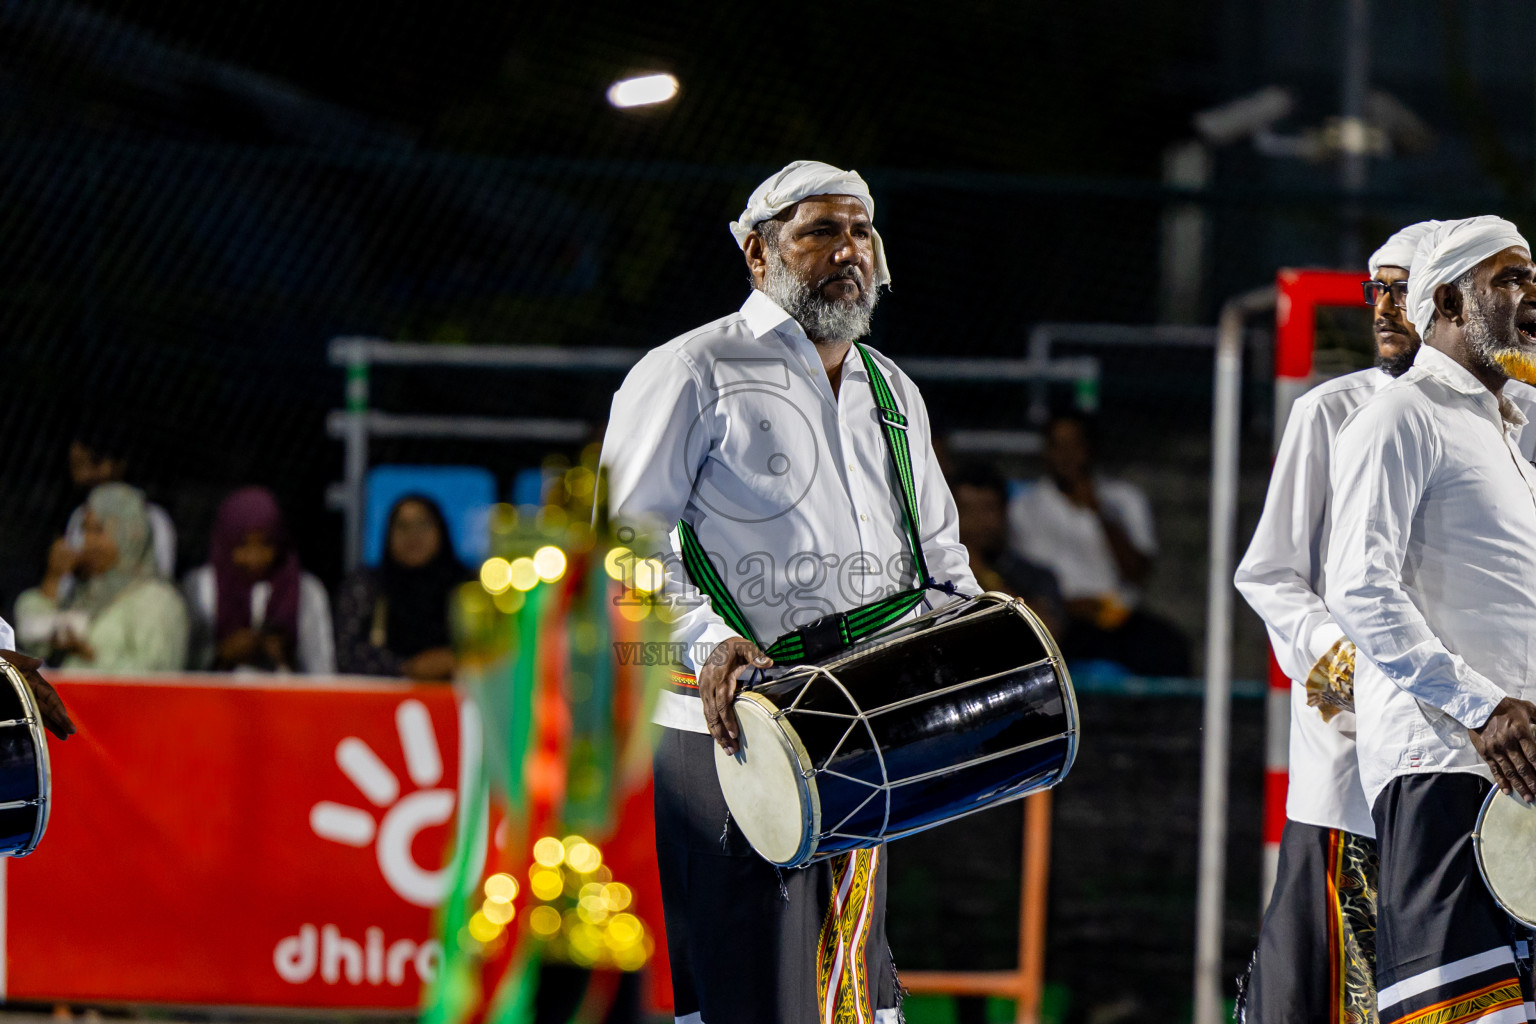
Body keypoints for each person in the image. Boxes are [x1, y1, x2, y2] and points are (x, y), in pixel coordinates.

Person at [600, 160, 979, 1024]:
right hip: (727, 729)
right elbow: (623, 545)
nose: (848, 251)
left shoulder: (892, 390)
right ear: (757, 253)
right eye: (819, 231)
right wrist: (704, 640)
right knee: (752, 990)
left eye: (860, 231)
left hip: (861, 724)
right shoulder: (691, 370)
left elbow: (939, 558)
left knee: (847, 984)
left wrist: (972, 638)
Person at [1326, 215, 1536, 1024]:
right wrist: (1482, 706)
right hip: (1442, 762)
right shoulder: (1400, 415)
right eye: (1509, 279)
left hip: (1512, 773)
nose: (1529, 295)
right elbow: (1359, 586)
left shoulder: (1508, 436)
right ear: (1447, 299)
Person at [1232, 220, 1439, 1023]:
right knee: (1337, 988)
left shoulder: (1515, 419)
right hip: (1354, 757)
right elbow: (1270, 571)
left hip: (1471, 757)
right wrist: (1340, 654)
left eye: (1404, 291)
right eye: (1376, 290)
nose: (1384, 308)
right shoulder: (1331, 411)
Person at [1009, 412, 1189, 675]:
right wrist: (1069, 606)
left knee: (1170, 648)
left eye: (1075, 445)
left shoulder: (1125, 500)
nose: (1066, 455)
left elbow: (1137, 573)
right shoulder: (1024, 507)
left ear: (1091, 449)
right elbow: (1023, 579)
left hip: (1120, 621)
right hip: (1059, 623)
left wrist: (1100, 512)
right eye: (1057, 446)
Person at [15, 483, 188, 672]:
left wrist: (87, 656)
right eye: (84, 530)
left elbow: (157, 678)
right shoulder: (83, 592)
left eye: (98, 531)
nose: (86, 541)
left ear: (130, 534)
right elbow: (32, 635)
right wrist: (53, 579)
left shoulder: (157, 601)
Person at [183, 487, 335, 674]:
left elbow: (323, 670)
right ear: (225, 543)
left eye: (266, 544)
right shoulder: (201, 586)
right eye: (242, 545)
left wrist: (288, 657)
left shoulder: (307, 591)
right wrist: (222, 653)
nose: (255, 557)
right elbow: (180, 663)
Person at [334, 494, 468, 681]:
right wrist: (407, 668)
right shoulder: (367, 584)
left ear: (441, 530)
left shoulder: (468, 587)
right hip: (382, 698)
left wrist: (454, 660)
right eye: (402, 526)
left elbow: (496, 651)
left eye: (423, 524)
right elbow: (346, 654)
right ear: (388, 534)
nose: (413, 535)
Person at [950, 458, 1065, 635]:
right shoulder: (937, 576)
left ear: (1005, 511)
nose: (978, 521)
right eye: (967, 510)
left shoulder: (1037, 578)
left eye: (988, 509)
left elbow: (1048, 634)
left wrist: (982, 573)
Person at [63, 423, 176, 581]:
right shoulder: (78, 516)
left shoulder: (153, 518)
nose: (85, 474)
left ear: (120, 463)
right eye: (77, 466)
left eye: (95, 462)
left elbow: (163, 578)